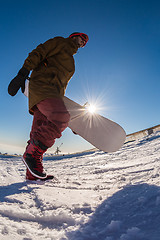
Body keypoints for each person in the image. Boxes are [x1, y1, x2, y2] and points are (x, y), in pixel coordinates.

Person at [8, 32, 89, 180]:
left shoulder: (71, 61)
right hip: (43, 88)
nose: (83, 42)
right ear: (73, 36)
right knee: (60, 117)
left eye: (85, 42)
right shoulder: (60, 42)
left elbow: (62, 86)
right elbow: (39, 52)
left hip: (52, 94)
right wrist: (23, 72)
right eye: (81, 38)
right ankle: (32, 155)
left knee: (38, 131)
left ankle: (32, 173)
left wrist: (76, 123)